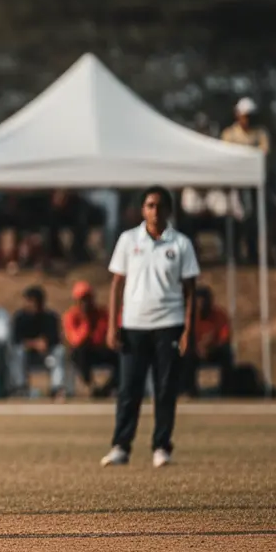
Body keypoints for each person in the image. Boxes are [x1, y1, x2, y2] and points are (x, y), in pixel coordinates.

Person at [102, 186, 199, 469]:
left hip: (169, 323)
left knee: (165, 388)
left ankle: (161, 446)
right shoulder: (128, 239)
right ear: (143, 209)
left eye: (159, 206)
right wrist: (113, 325)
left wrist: (188, 330)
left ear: (168, 210)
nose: (154, 211)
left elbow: (190, 290)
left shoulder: (180, 244)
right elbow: (116, 284)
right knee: (129, 388)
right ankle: (121, 445)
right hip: (134, 324)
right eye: (149, 205)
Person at [62, 281, 118, 397]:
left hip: (100, 349)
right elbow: (76, 341)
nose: (86, 303)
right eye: (82, 299)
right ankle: (90, 386)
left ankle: (108, 388)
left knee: (123, 356)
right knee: (78, 352)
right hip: (84, 353)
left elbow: (105, 335)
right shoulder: (71, 316)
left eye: (88, 298)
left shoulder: (102, 314)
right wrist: (86, 322)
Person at [9, 285, 67, 398]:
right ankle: (20, 387)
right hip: (27, 354)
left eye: (34, 301)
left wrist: (46, 343)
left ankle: (57, 388)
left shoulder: (50, 317)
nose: (31, 304)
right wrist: (34, 344)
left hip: (47, 354)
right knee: (17, 352)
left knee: (60, 351)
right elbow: (16, 340)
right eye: (29, 301)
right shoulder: (19, 318)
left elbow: (55, 339)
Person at [182, 286, 234, 397]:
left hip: (214, 349)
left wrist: (210, 346)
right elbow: (185, 336)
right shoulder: (189, 317)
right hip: (195, 350)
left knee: (227, 352)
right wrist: (197, 347)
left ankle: (227, 389)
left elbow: (224, 337)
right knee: (185, 357)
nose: (201, 306)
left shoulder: (219, 315)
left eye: (203, 302)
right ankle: (188, 390)